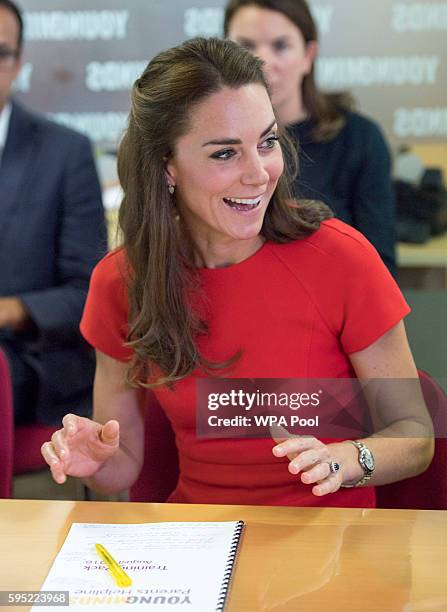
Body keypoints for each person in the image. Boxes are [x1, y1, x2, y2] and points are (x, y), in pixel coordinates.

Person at [41, 37, 433, 508]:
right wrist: (97, 461)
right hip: (198, 544)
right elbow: (123, 462)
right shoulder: (122, 280)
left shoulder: (341, 259)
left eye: (266, 142)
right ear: (167, 167)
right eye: (225, 153)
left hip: (329, 545)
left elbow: (415, 435)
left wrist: (347, 459)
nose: (259, 173)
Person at [224, 0, 397, 276]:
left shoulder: (360, 139)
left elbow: (379, 267)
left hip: (328, 309)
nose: (263, 62)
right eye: (246, 47)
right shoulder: (206, 140)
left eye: (280, 46)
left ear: (308, 55)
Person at [0, 0, 107, 425]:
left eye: (0, 52)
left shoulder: (65, 152)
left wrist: (8, 310)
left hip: (26, 356)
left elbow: (87, 294)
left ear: (18, 62)